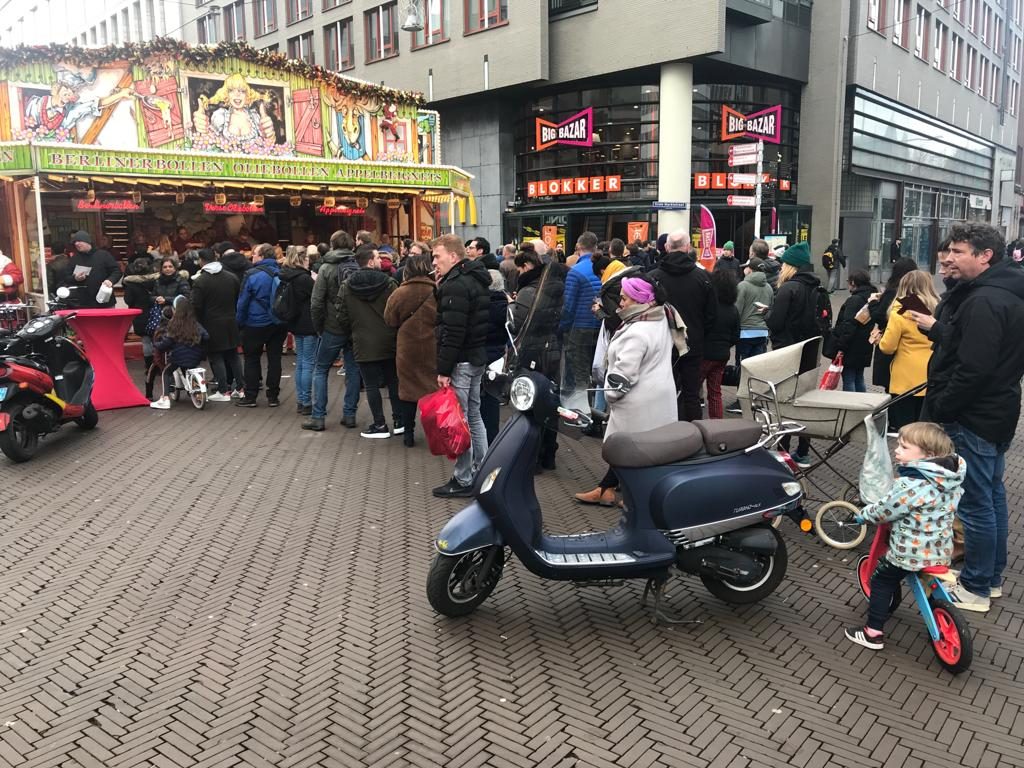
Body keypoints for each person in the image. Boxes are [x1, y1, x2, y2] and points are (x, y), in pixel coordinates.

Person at [918, 222, 1024, 612]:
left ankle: (976, 586)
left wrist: (944, 404)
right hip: (998, 410)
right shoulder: (1005, 293)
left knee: (976, 504)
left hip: (973, 416)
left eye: (958, 251)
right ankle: (990, 579)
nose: (948, 258)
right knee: (992, 498)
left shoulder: (984, 301)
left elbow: (973, 367)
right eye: (948, 251)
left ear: (985, 256)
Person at [844, 423, 964, 650]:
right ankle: (938, 614)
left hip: (910, 552)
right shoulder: (949, 481)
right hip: (940, 550)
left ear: (928, 455)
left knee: (882, 580)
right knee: (928, 582)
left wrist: (863, 515)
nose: (897, 451)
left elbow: (885, 510)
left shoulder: (910, 484)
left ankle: (873, 633)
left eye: (905, 447)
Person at [575, 277, 676, 505]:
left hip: (638, 400)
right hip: (657, 393)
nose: (619, 303)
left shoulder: (637, 331)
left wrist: (610, 395)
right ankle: (606, 489)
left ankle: (634, 499)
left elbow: (624, 374)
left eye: (623, 298)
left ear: (638, 299)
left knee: (630, 451)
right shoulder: (659, 317)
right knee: (637, 450)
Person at [431, 234, 491, 498]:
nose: (434, 262)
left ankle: (464, 478)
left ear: (453, 257)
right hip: (476, 357)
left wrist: (444, 370)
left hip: (463, 361)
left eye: (437, 256)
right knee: (474, 417)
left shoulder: (456, 285)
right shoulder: (475, 279)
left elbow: (453, 331)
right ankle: (484, 472)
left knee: (460, 421)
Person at [649, 229, 717, 422]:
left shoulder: (653, 277)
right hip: (692, 344)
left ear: (667, 247)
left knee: (661, 392)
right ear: (688, 247)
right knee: (691, 394)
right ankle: (693, 435)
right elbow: (712, 315)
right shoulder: (704, 278)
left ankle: (663, 431)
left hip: (662, 345)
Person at [765, 242, 821, 466]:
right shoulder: (818, 287)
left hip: (787, 352)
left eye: (784, 264)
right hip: (810, 351)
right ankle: (804, 451)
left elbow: (777, 323)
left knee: (785, 404)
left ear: (791, 266)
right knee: (804, 402)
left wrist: (768, 313)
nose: (780, 268)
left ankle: (783, 451)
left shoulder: (788, 289)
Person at [337, 245, 401, 438]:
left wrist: (353, 332)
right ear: (370, 261)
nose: (381, 261)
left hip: (363, 341)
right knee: (393, 382)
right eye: (377, 258)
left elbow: (341, 314)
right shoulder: (389, 283)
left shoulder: (347, 286)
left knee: (371, 385)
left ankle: (380, 424)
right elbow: (397, 309)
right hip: (389, 340)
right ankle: (400, 421)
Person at [510, 248, 565, 471]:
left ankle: (532, 458)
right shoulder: (557, 287)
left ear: (525, 267)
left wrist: (512, 306)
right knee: (550, 403)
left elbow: (518, 324)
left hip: (533, 352)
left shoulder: (527, 291)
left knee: (530, 404)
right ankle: (549, 453)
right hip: (554, 350)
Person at [305, 230, 362, 431]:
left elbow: (316, 302)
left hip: (332, 326)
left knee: (320, 369)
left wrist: (319, 326)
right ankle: (350, 414)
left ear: (332, 244)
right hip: (354, 325)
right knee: (353, 369)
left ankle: (318, 416)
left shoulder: (326, 268)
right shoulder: (358, 266)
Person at [871, 270, 939, 430]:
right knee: (924, 431)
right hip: (931, 373)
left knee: (905, 430)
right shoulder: (938, 308)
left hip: (905, 378)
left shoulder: (900, 311)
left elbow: (888, 347)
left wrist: (879, 340)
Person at [384, 253, 438, 447]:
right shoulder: (438, 291)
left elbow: (389, 319)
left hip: (407, 348)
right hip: (433, 346)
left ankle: (408, 433)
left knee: (407, 391)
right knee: (433, 390)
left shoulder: (400, 293)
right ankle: (435, 433)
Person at [235, 243, 287, 407]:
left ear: (262, 256)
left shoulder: (251, 274)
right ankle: (273, 396)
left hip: (254, 322)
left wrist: (239, 322)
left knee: (251, 359)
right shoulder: (282, 273)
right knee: (274, 359)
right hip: (278, 322)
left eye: (255, 254)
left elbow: (242, 302)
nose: (252, 257)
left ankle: (250, 396)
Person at [191, 248, 241, 402]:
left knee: (216, 357)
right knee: (233, 355)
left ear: (201, 260)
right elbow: (236, 298)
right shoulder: (232, 278)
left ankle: (223, 390)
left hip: (211, 323)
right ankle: (240, 388)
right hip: (231, 321)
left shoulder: (200, 281)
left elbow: (196, 305)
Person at [559, 232, 604, 395]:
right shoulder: (606, 268)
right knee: (600, 370)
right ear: (596, 247)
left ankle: (583, 411)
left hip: (580, 327)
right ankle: (599, 410)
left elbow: (569, 305)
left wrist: (562, 326)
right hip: (602, 326)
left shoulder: (575, 271)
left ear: (578, 247)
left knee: (580, 374)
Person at [868, 257, 918, 391]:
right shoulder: (919, 292)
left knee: (891, 387)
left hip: (892, 340)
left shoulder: (893, 291)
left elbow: (879, 316)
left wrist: (873, 302)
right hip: (912, 348)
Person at [149, 299, 209, 410]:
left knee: (166, 373)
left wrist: (156, 344)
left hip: (178, 358)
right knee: (190, 367)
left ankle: (165, 399)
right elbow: (206, 336)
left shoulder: (174, 324)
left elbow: (166, 343)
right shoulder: (195, 323)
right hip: (195, 357)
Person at [279, 246, 316, 415]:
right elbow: (316, 297)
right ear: (303, 259)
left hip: (294, 322)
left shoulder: (286, 275)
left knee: (301, 362)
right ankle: (307, 401)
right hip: (308, 323)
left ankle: (301, 400)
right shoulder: (305, 279)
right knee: (308, 363)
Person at [700, 270, 740, 419]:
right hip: (722, 355)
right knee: (715, 392)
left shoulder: (708, 306)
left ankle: (693, 423)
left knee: (692, 390)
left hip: (705, 354)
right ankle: (717, 424)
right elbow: (736, 336)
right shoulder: (733, 310)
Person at [830, 270, 877, 392]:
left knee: (849, 378)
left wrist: (841, 347)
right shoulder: (872, 298)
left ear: (853, 282)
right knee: (859, 377)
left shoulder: (854, 300)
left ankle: (850, 406)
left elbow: (848, 325)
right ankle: (861, 406)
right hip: (865, 344)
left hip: (852, 346)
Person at [122, 255, 160, 396]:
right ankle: (160, 362)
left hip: (140, 314)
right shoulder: (155, 280)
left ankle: (149, 365)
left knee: (145, 340)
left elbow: (128, 300)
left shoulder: (131, 284)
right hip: (155, 312)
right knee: (157, 339)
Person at [57, 230, 121, 308]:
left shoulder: (103, 255)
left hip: (105, 301)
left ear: (87, 241)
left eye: (79, 241)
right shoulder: (74, 259)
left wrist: (111, 280)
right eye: (75, 242)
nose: (76, 243)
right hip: (83, 303)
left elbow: (117, 271)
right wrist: (75, 278)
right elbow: (66, 278)